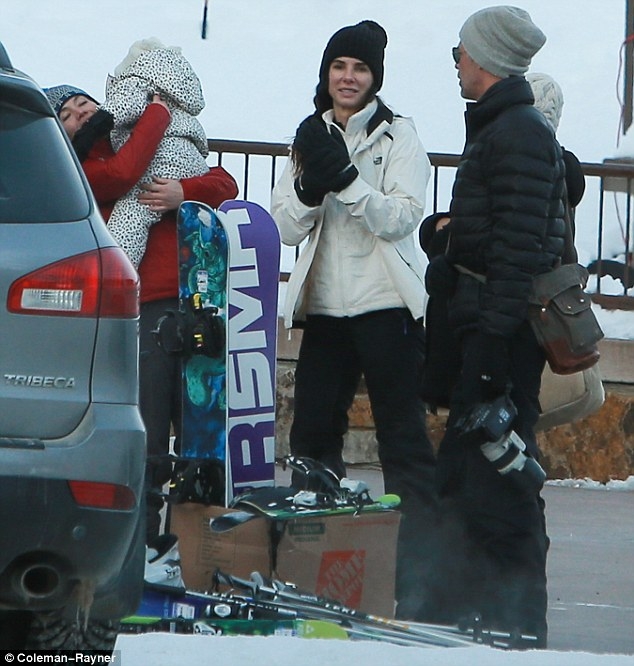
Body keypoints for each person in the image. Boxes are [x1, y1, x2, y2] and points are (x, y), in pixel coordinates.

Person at [270, 20, 437, 619]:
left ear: (375, 79)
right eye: (340, 66)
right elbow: (283, 224)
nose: (348, 77)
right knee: (311, 440)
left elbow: (400, 218)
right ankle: (314, 568)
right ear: (327, 74)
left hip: (385, 306)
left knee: (403, 441)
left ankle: (418, 580)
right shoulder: (308, 136)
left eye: (360, 69)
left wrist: (346, 180)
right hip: (326, 313)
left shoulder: (400, 137)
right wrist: (313, 185)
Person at [423, 6, 567, 647]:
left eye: (461, 50)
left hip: (500, 343)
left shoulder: (518, 132)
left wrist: (486, 358)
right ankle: (465, 624)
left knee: (503, 486)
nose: (455, 60)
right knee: (463, 485)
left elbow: (518, 254)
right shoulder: (502, 128)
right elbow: (496, 238)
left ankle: (518, 629)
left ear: (487, 58)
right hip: (486, 334)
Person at [44, 83, 238, 544]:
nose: (82, 113)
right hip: (144, 308)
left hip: (196, 299)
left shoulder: (152, 148)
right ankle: (144, 544)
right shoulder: (83, 168)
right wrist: (157, 113)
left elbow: (224, 182)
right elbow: (120, 176)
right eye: (69, 114)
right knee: (149, 437)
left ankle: (196, 546)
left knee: (201, 435)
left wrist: (182, 191)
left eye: (84, 102)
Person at [100, 37, 210, 267]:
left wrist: (97, 122)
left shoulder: (137, 81)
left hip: (162, 158)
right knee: (198, 221)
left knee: (133, 211)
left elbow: (119, 109)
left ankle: (117, 274)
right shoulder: (174, 87)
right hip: (190, 159)